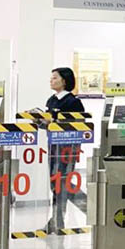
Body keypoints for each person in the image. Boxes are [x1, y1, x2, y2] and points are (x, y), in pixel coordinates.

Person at [45, 67, 85, 233]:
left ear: (64, 80)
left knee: (62, 182)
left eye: (55, 78)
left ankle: (59, 220)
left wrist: (55, 124)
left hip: (67, 148)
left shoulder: (73, 102)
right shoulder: (51, 100)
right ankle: (57, 219)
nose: (51, 80)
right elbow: (49, 122)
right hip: (53, 146)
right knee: (55, 182)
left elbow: (79, 126)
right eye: (51, 77)